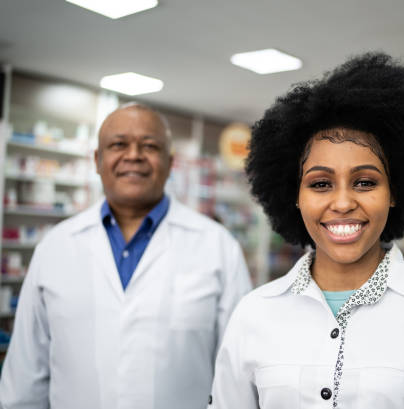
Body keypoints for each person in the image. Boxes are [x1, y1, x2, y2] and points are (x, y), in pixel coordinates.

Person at [208, 53, 404, 409]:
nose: (343, 202)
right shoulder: (254, 313)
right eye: (320, 184)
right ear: (295, 196)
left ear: (395, 192)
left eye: (365, 182)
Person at [0, 103, 252, 408]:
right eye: (119, 144)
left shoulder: (218, 246)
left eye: (149, 146)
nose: (133, 155)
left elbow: (238, 375)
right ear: (97, 159)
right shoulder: (54, 248)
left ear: (170, 162)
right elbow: (25, 377)